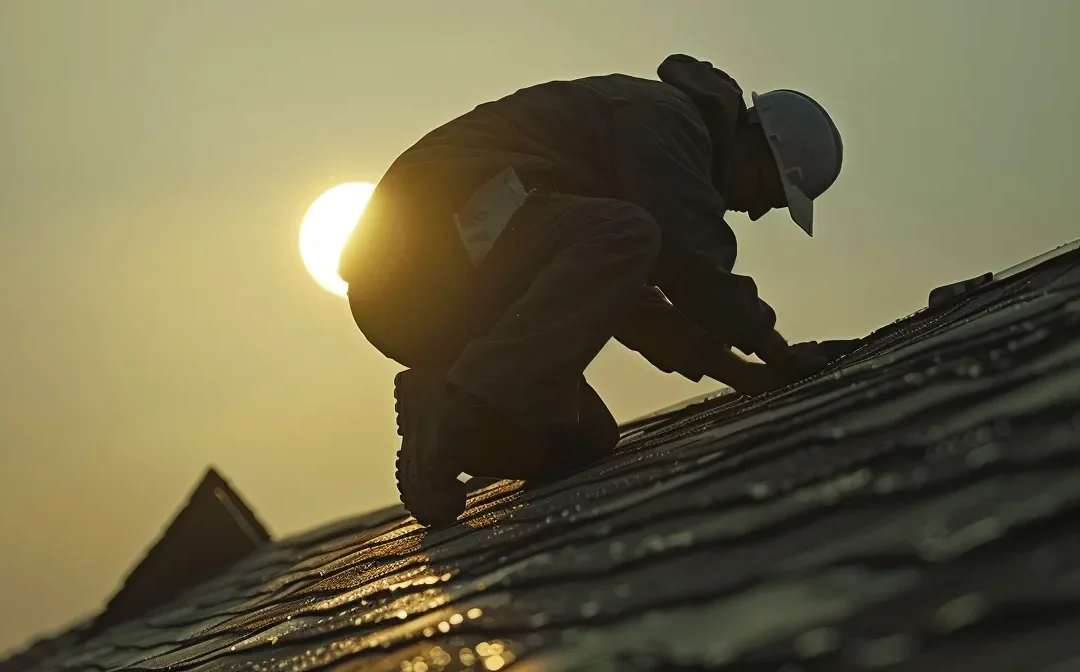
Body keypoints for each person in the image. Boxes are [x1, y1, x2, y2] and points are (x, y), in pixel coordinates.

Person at [338, 54, 857, 527]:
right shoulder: (666, 119)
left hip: (436, 296)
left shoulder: (616, 194)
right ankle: (458, 411)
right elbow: (687, 255)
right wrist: (775, 348)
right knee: (628, 233)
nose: (758, 210)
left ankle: (442, 419)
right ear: (755, 147)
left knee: (582, 439)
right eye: (770, 191)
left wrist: (738, 371)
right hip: (416, 262)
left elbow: (622, 296)